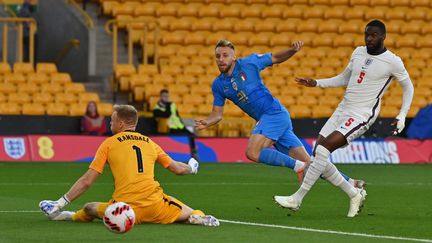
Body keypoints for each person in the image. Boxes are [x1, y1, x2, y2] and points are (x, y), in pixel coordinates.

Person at [274, 20, 414, 217]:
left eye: (373, 35)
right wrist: (316, 83)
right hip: (343, 109)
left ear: (383, 37)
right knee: (317, 154)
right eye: (366, 34)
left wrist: (402, 115)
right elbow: (344, 78)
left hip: (362, 114)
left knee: (323, 150)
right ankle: (354, 193)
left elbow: (409, 87)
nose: (369, 39)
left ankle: (297, 199)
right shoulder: (358, 52)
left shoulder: (393, 61)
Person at [195, 39, 361, 187]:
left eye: (225, 55)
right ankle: (351, 183)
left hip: (273, 113)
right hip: (272, 119)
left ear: (233, 57)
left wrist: (292, 50)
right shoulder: (218, 85)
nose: (221, 59)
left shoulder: (249, 63)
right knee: (310, 163)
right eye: (218, 56)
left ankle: (298, 167)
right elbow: (217, 114)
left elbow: (274, 58)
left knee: (252, 152)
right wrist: (208, 122)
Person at [39, 104, 219, 226]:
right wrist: (192, 168)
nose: (110, 123)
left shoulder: (109, 143)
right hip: (156, 205)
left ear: (121, 123)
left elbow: (87, 181)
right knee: (191, 212)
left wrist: (60, 202)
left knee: (89, 208)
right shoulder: (150, 142)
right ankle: (198, 218)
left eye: (112, 120)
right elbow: (178, 169)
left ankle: (67, 214)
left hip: (124, 209)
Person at [153, 89, 197, 159]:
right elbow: (167, 114)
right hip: (170, 128)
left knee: (192, 135)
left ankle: (194, 153)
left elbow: (177, 115)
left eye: (167, 96)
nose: (166, 98)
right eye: (164, 96)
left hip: (180, 126)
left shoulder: (172, 104)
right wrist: (167, 104)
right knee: (184, 137)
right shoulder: (156, 108)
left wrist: (182, 124)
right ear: (160, 97)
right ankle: (188, 155)